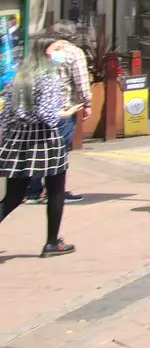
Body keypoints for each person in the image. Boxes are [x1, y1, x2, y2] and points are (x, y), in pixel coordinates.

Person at [0, 37, 80, 256]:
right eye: (57, 48)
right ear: (45, 52)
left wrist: (5, 140)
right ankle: (52, 243)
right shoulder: (49, 77)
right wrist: (63, 114)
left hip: (19, 138)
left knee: (14, 196)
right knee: (56, 190)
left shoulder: (20, 77)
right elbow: (47, 115)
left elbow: (5, 115)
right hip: (44, 139)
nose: (62, 51)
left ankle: (53, 243)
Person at [27, 25, 88, 205]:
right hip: (61, 111)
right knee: (57, 152)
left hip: (39, 113)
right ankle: (52, 191)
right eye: (57, 48)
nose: (60, 51)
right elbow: (81, 80)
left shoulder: (36, 55)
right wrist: (86, 103)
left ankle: (33, 191)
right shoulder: (74, 53)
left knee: (39, 150)